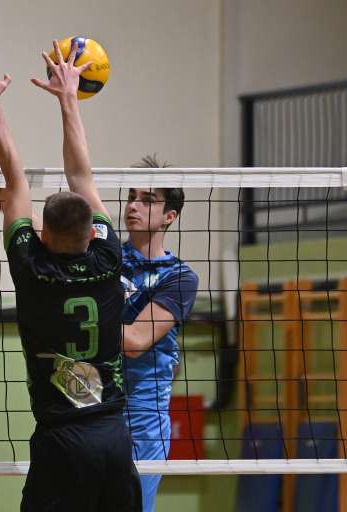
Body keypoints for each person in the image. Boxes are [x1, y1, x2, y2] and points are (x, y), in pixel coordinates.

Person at [0, 42, 140, 511]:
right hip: (114, 437)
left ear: (44, 233)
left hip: (61, 440)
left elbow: (13, 179)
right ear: (91, 232)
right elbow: (81, 175)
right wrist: (69, 98)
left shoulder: (31, 267)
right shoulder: (109, 257)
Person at [120, 154, 199, 512]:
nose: (133, 205)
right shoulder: (105, 256)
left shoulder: (179, 278)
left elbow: (136, 342)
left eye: (147, 199)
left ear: (170, 216)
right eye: (132, 196)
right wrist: (13, 196)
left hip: (143, 415)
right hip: (91, 409)